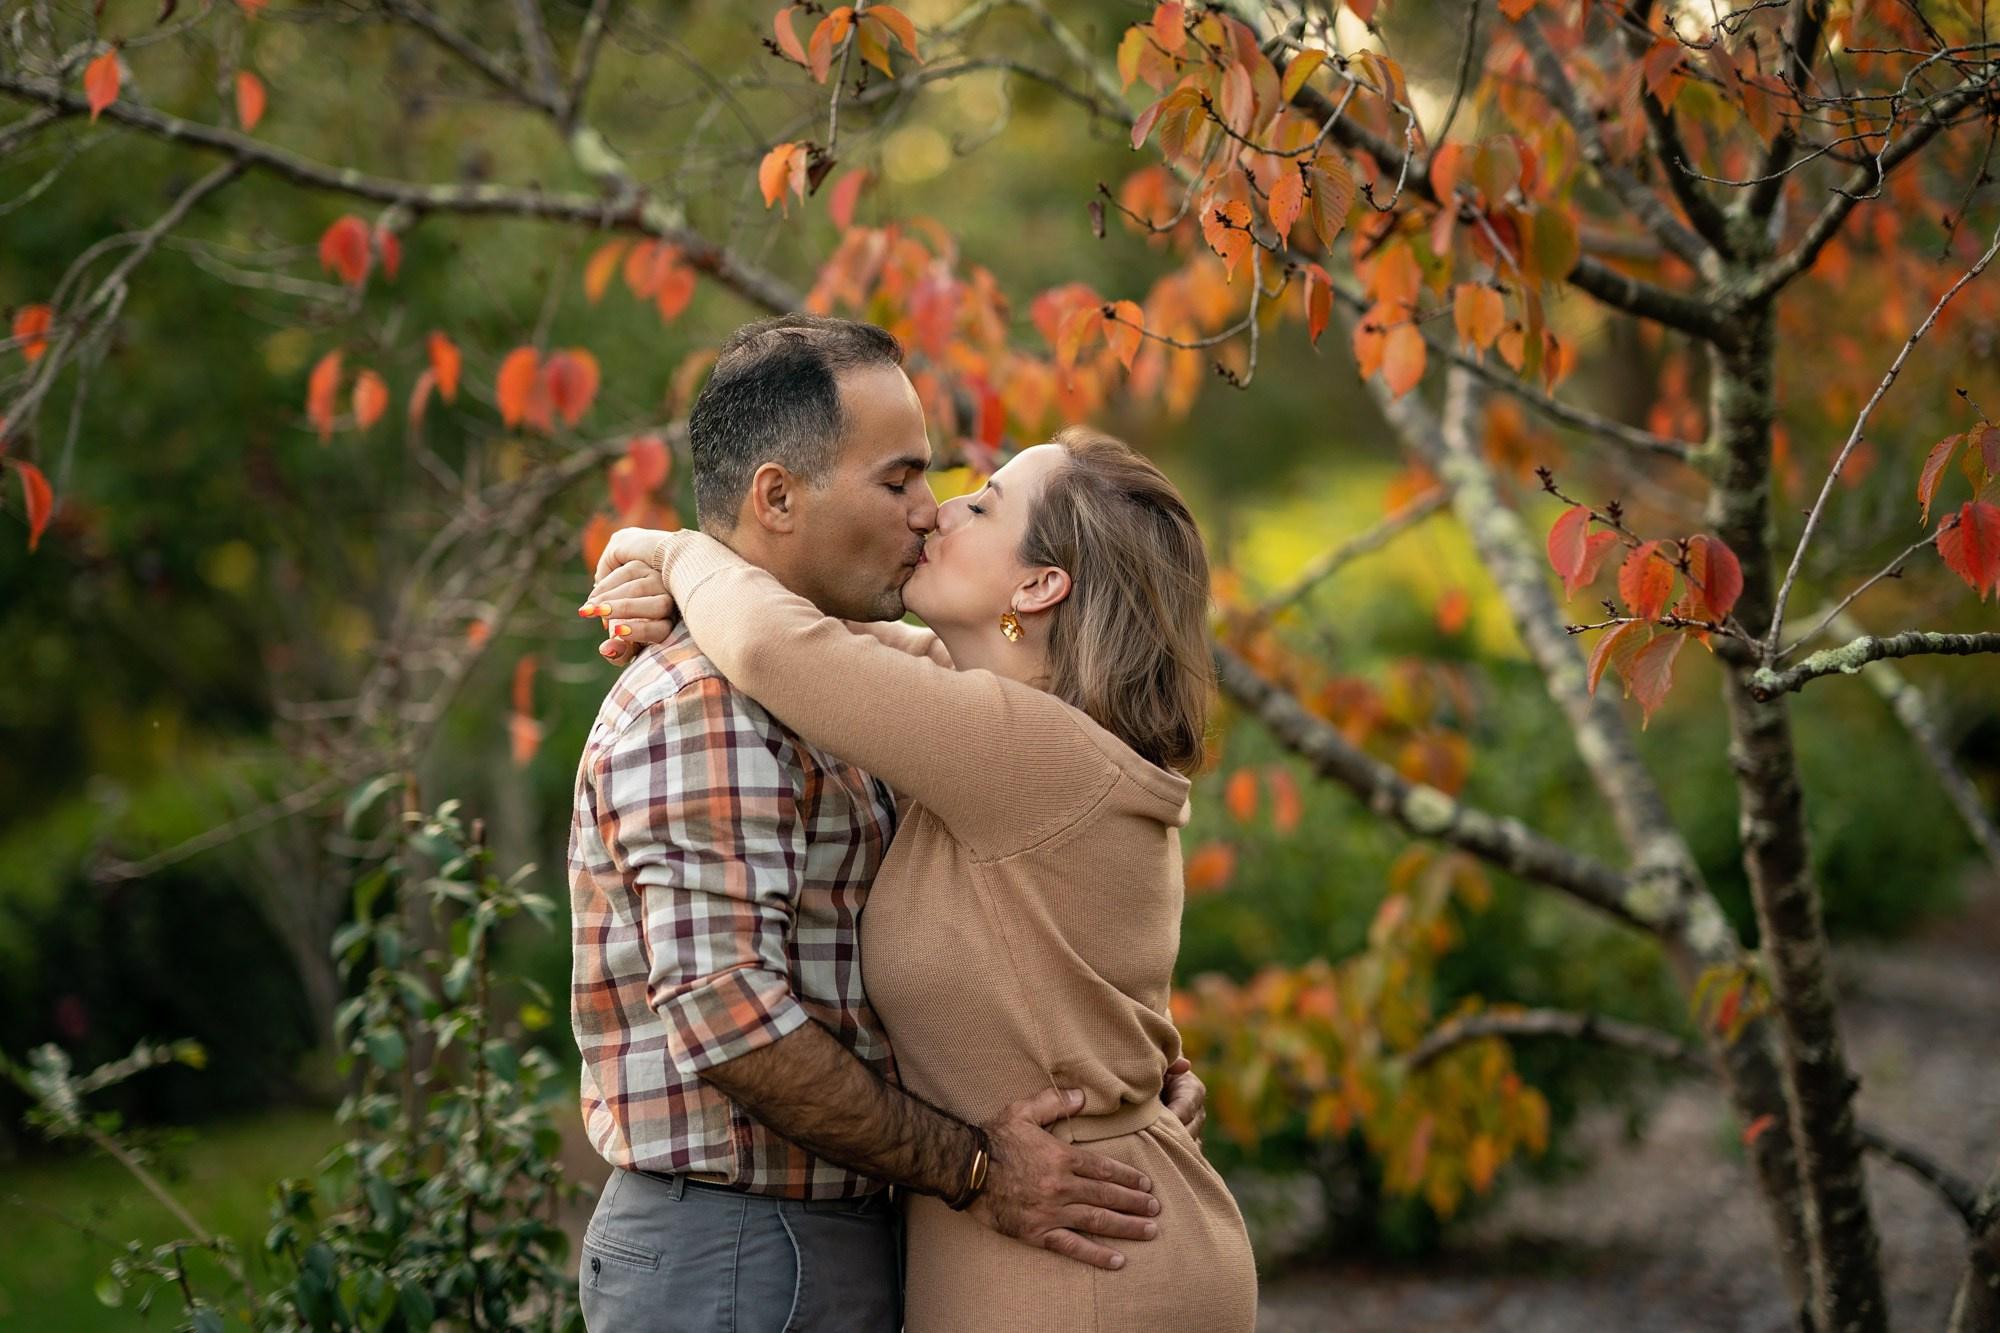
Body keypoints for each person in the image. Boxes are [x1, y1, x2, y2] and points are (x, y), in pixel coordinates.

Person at [568, 315, 1207, 1333]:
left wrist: (674, 552)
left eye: (966, 497)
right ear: (778, 496)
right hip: (749, 1246)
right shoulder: (717, 700)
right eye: (901, 478)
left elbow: (786, 647)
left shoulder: (973, 731)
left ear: (1040, 585)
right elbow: (728, 1013)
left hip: (1038, 1249)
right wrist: (984, 1156)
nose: (930, 510)